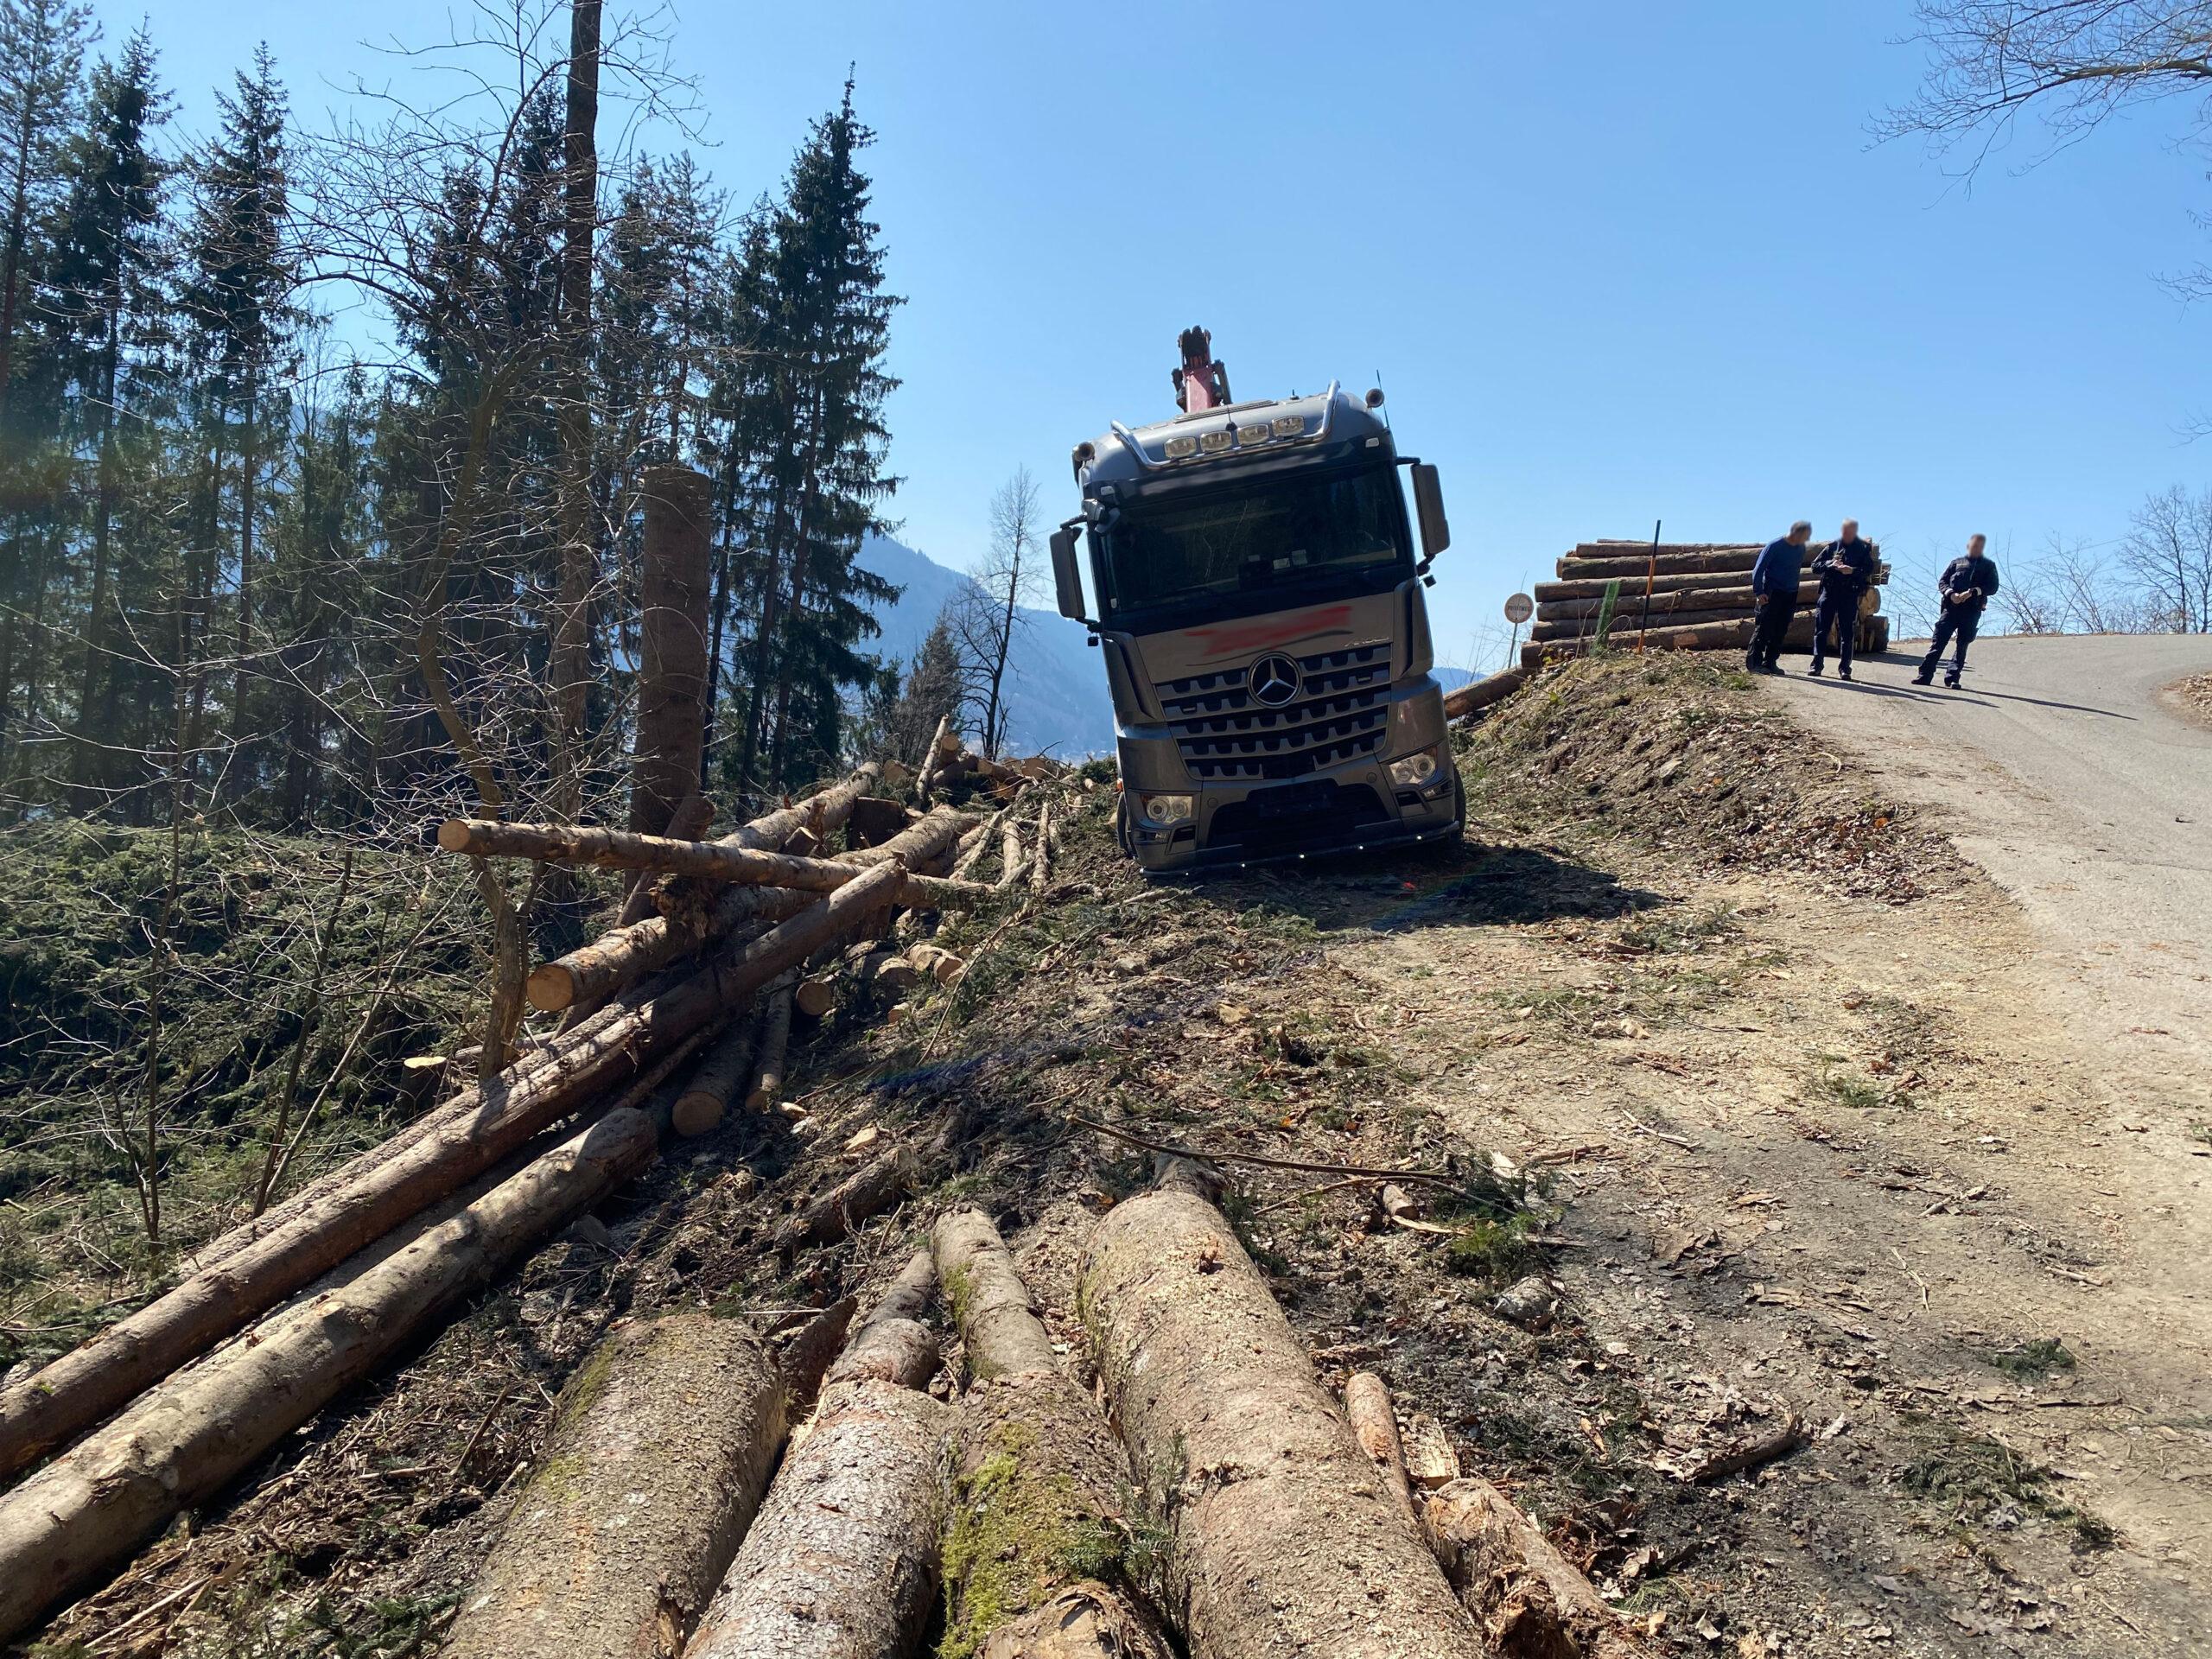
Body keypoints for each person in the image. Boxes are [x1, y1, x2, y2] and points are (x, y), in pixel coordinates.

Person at [1913, 534, 2001, 688]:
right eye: (1974, 545)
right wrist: (1950, 594)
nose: (1976, 548)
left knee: (1962, 644)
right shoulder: (1957, 563)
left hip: (1972, 609)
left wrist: (1973, 592)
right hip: (1950, 608)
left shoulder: (1988, 565)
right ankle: (1924, 676)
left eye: (1980, 546)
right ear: (1969, 546)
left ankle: (1953, 678)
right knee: (1938, 642)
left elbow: (1993, 587)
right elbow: (1942, 581)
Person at [1808, 518, 1876, 680]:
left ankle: (1845, 669)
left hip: (1848, 595)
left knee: (1847, 633)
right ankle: (1816, 665)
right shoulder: (1832, 547)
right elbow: (1814, 566)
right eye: (1844, 531)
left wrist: (1852, 570)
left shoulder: (1862, 549)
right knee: (1821, 630)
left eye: (1850, 531)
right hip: (1829, 593)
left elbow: (1868, 569)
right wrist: (1830, 564)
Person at [1745, 520, 1810, 675]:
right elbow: (1758, 570)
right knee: (1764, 628)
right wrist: (1759, 592)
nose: (1806, 540)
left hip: (1790, 594)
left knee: (1781, 629)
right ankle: (1754, 664)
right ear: (1796, 533)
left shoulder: (1801, 548)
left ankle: (1770, 662)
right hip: (1772, 592)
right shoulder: (1775, 546)